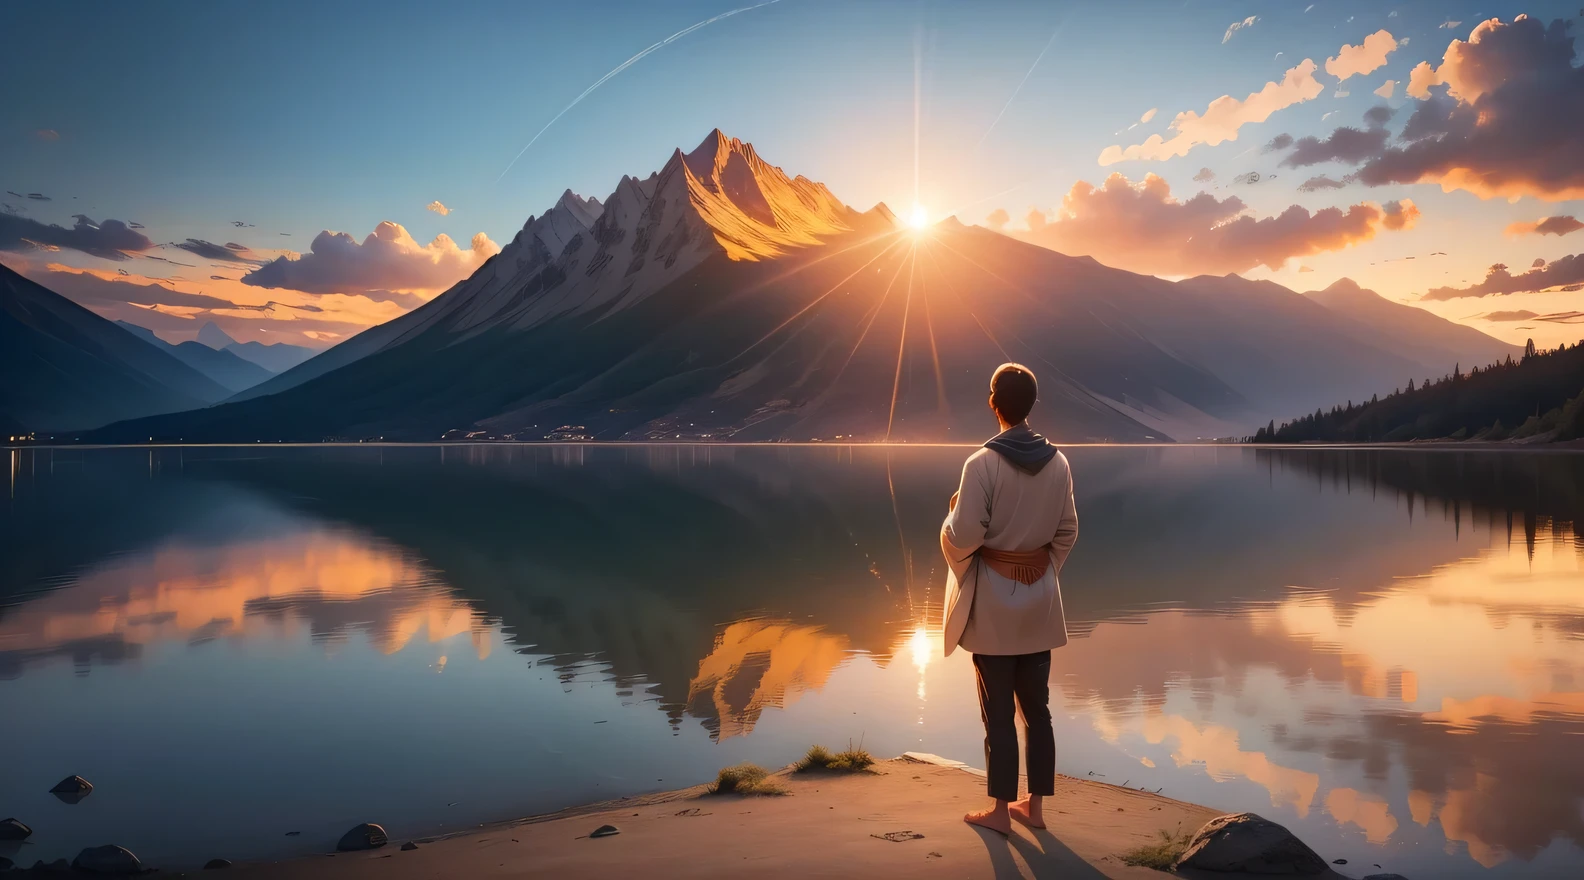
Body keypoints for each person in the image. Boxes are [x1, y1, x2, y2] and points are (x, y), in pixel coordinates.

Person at [940, 363, 1078, 836]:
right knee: (1036, 710)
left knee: (997, 712)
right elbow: (1067, 531)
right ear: (1032, 404)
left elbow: (963, 536)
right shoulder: (1059, 463)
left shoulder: (980, 464)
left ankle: (1000, 812)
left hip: (994, 610)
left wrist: (951, 513)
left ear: (993, 402)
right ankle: (1035, 809)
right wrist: (1041, 571)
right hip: (1040, 606)